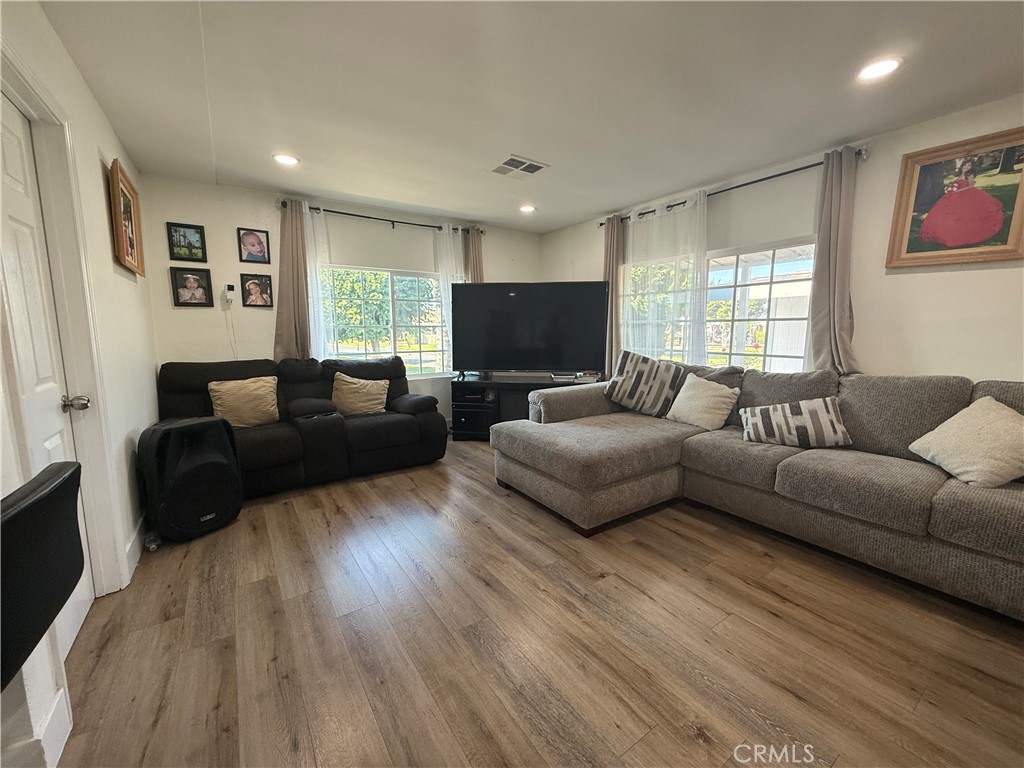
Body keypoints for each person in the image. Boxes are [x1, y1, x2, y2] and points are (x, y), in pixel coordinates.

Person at [919, 158, 1004, 248]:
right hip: (952, 198)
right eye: (965, 165)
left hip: (965, 196)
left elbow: (970, 186)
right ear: (962, 166)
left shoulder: (970, 174)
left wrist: (957, 191)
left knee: (963, 216)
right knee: (942, 215)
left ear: (971, 168)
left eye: (969, 166)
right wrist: (950, 189)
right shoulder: (958, 175)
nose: (966, 167)